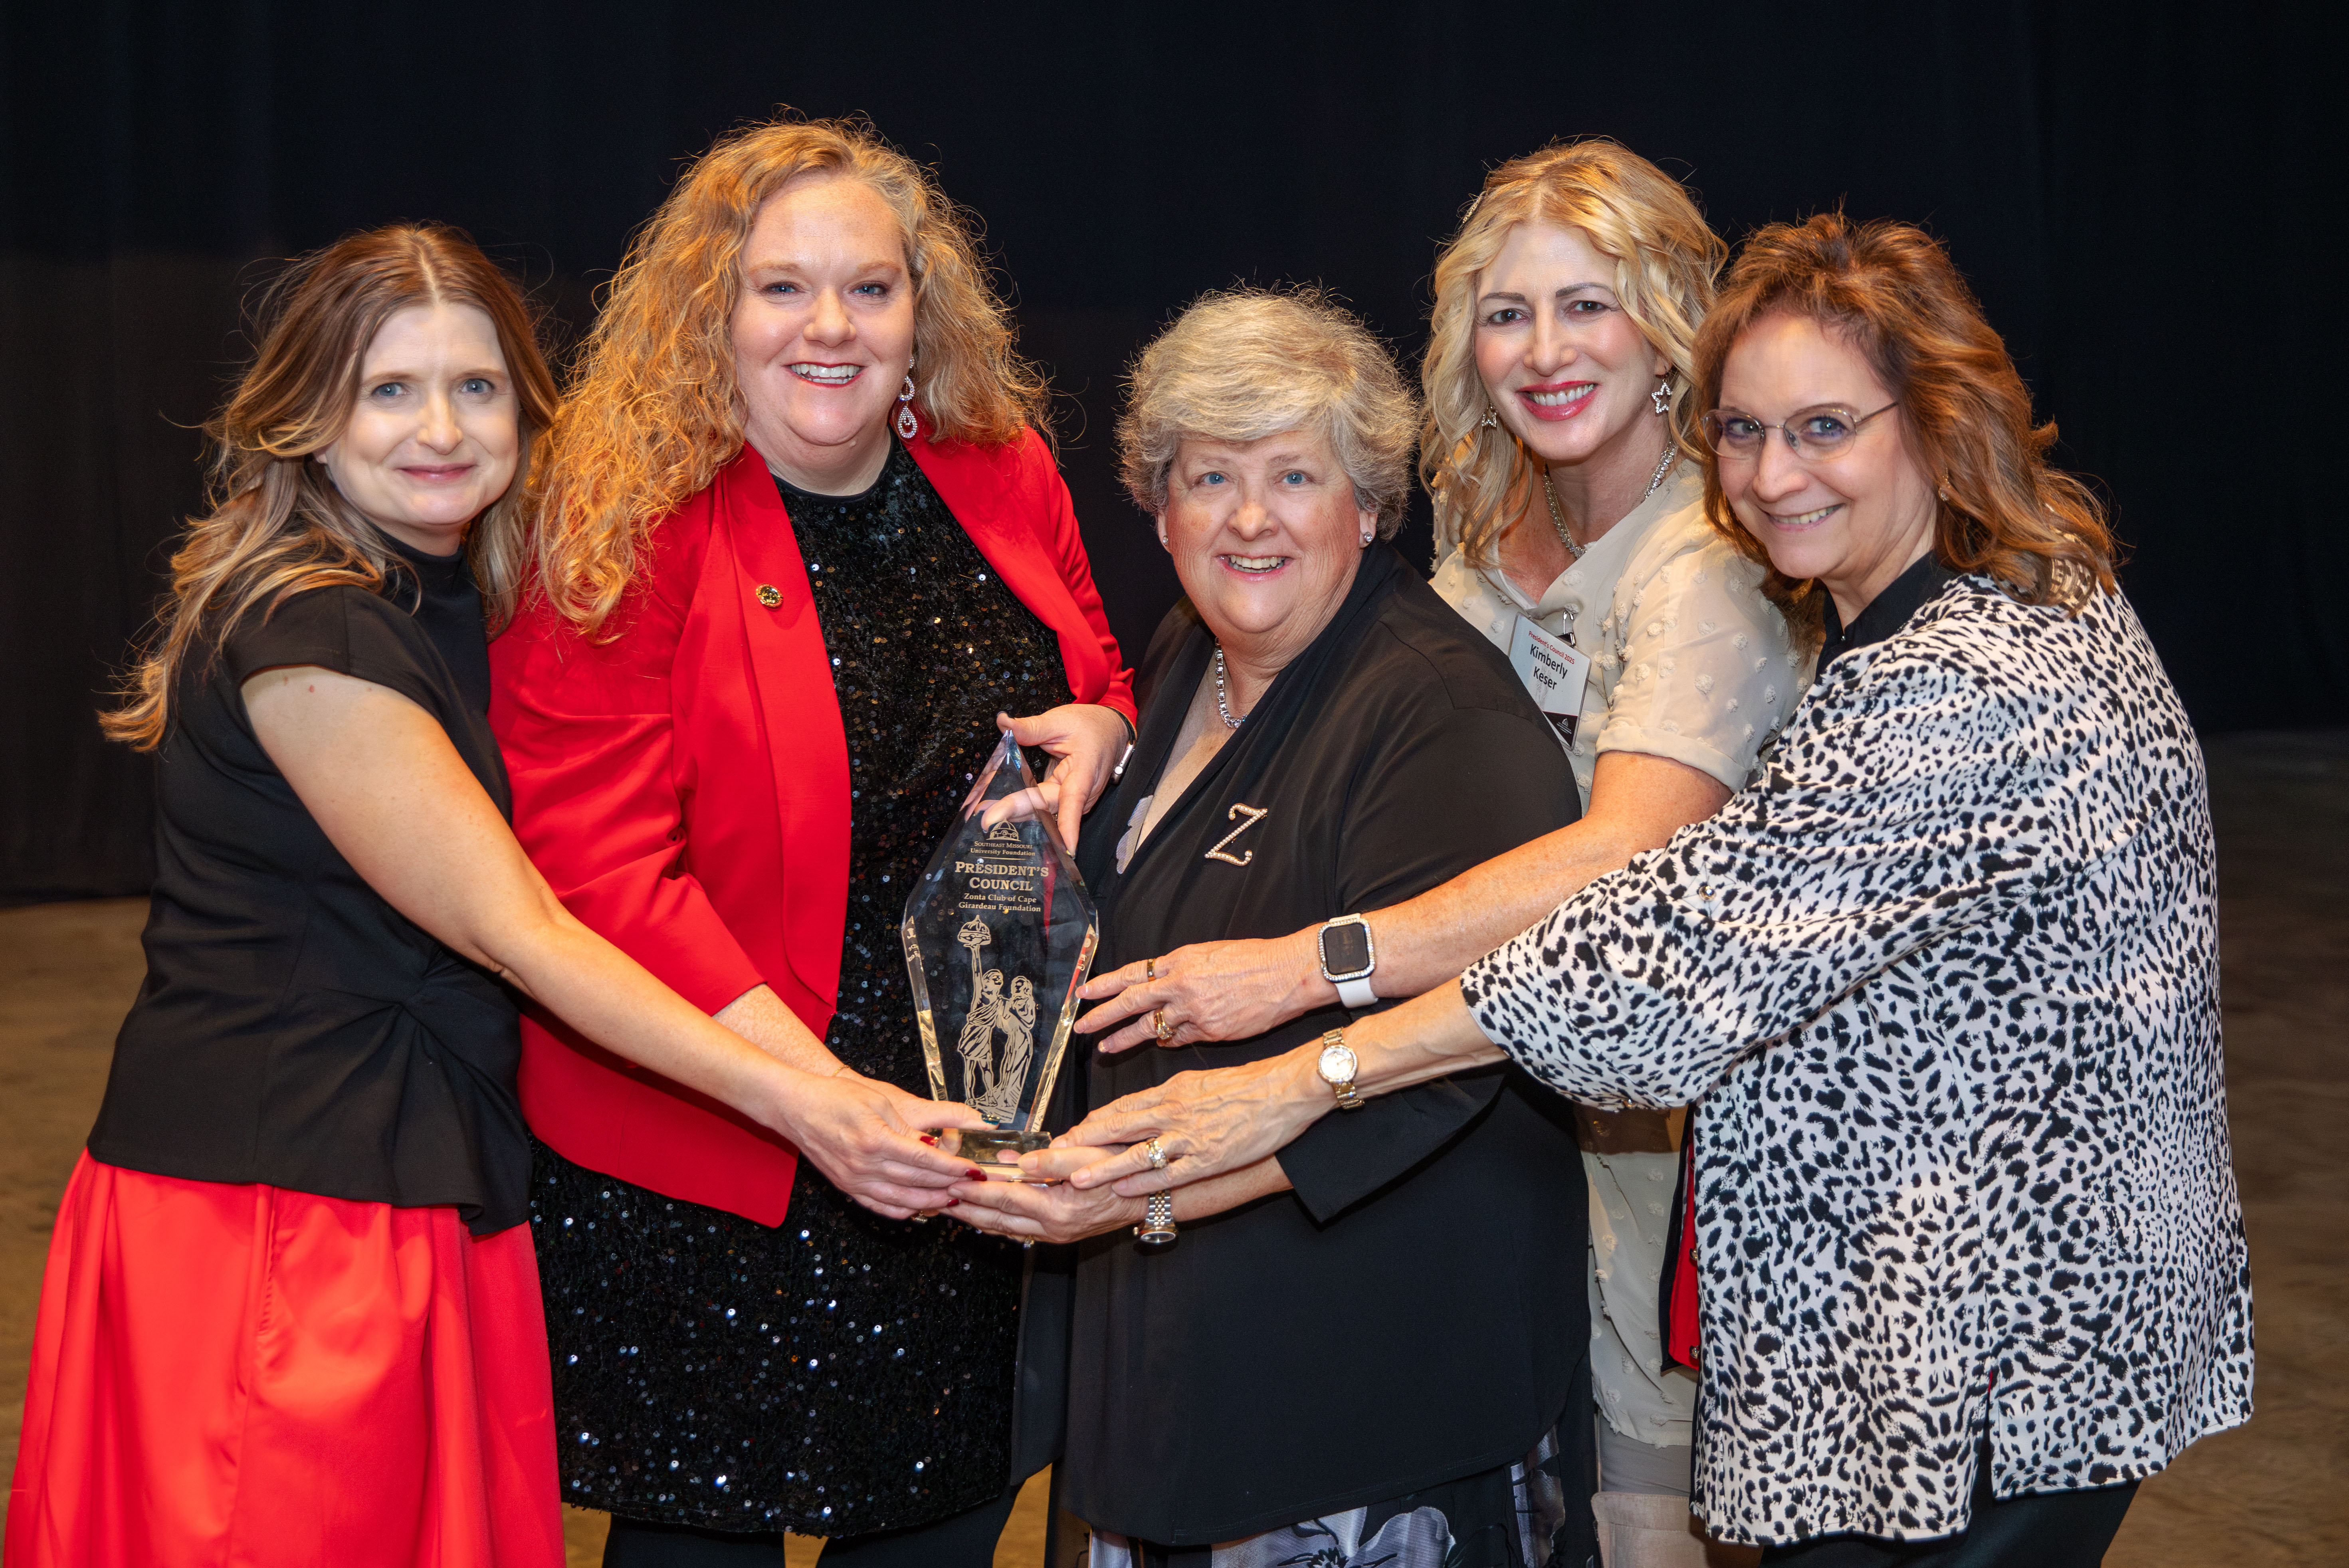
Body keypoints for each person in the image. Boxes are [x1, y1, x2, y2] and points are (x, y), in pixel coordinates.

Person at [1051, 215, 2252, 1566]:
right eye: (1740, 433)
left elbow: (1660, 969)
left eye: (1822, 428)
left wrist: (1306, 1061)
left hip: (1984, 1348)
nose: (1772, 475)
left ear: (1930, 417)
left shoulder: (1959, 680)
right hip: (2006, 1317)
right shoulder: (2030, 587)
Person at [5, 225, 982, 1568]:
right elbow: (519, 931)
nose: (442, 430)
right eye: (390, 390)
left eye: (476, 388)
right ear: (307, 415)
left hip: (405, 1181)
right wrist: (814, 1103)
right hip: (284, 1216)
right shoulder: (317, 635)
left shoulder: (443, 595)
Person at [1072, 141, 1804, 1565]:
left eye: (1587, 305)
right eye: (1508, 311)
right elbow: (1278, 636)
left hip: (1655, 1127)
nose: (1543, 351)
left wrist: (1304, 972)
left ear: (1670, 325)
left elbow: (1620, 858)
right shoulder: (1490, 515)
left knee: (1637, 1514)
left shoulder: (1712, 559)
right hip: (1492, 1096)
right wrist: (1117, 720)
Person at [489, 116, 1136, 1566]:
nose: (830, 326)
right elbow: (596, 871)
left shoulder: (1002, 467)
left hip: (961, 1131)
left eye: (871, 286)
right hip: (716, 1137)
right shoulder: (621, 515)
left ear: (925, 309)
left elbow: (1093, 674)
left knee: (941, 1524)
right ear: (711, 311)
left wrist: (1103, 724)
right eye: (781, 287)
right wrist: (820, 1099)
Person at [947, 287, 1596, 1568]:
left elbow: (1457, 1062)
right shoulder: (1193, 653)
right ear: (1157, 502)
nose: (1248, 519)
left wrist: (1131, 1197)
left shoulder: (1438, 716)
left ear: (1365, 506)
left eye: (1293, 475)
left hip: (1362, 1391)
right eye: (1208, 477)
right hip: (1180, 1363)